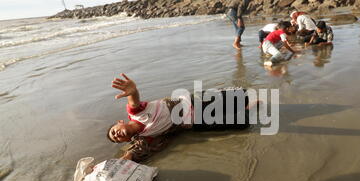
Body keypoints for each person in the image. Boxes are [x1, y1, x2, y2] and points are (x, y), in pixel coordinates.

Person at [107, 74, 254, 162]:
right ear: (125, 141)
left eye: (114, 131)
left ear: (120, 122)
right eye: (116, 139)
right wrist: (121, 161)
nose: (117, 135)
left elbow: (133, 100)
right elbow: (134, 153)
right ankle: (243, 109)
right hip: (196, 123)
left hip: (194, 102)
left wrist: (132, 91)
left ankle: (245, 104)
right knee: (244, 123)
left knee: (244, 95)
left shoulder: (136, 113)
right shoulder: (143, 139)